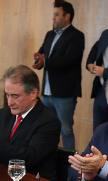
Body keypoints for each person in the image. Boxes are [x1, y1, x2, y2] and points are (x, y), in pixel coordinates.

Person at [0, 65, 61, 181]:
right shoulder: (4, 114)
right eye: (7, 95)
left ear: (33, 94)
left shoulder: (48, 121)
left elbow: (27, 159)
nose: (9, 102)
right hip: (2, 179)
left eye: (15, 96)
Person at [32, 0, 85, 150]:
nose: (53, 18)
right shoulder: (50, 34)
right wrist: (38, 60)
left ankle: (70, 165)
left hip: (64, 93)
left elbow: (68, 60)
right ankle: (47, 158)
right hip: (47, 92)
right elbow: (42, 53)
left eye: (56, 14)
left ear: (67, 16)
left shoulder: (77, 36)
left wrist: (45, 61)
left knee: (66, 130)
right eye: (53, 14)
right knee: (46, 127)